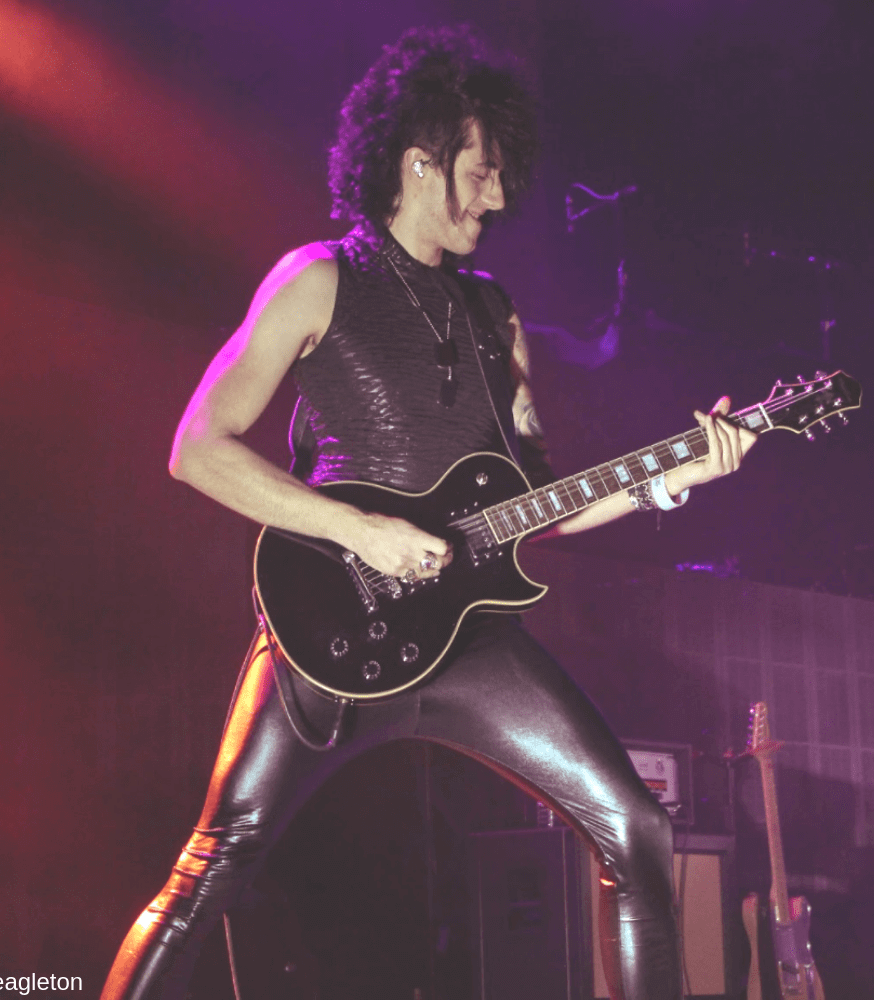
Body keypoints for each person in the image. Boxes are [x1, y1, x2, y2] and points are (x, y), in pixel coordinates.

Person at [100, 25, 754, 1000]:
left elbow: (543, 505)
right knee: (214, 862)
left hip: (470, 642)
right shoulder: (317, 276)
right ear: (417, 163)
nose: (499, 195)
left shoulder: (497, 319)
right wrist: (361, 531)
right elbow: (197, 447)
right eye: (481, 172)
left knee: (637, 827)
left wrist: (676, 478)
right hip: (330, 630)